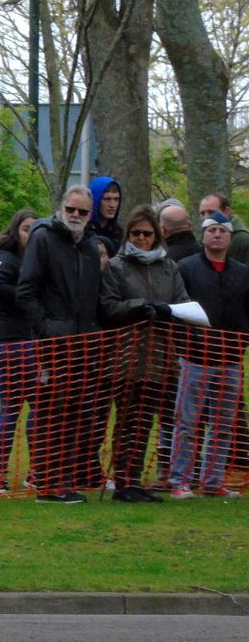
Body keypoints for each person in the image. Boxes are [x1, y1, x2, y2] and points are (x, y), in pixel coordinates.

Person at [17, 186, 104, 504]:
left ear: (89, 214)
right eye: (71, 210)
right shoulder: (43, 238)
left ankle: (64, 480)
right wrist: (47, 328)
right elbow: (25, 290)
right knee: (49, 413)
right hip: (52, 344)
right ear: (61, 209)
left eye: (82, 212)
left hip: (82, 344)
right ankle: (48, 483)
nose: (76, 216)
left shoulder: (91, 247)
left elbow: (94, 297)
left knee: (75, 414)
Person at [99, 206, 188, 503]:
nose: (140, 238)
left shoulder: (168, 267)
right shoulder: (116, 266)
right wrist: (137, 305)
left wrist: (167, 311)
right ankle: (125, 481)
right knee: (129, 419)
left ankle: (142, 478)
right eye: (135, 233)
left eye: (147, 233)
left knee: (150, 419)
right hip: (127, 356)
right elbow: (108, 307)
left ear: (157, 235)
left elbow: (183, 303)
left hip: (163, 354)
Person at [168, 214, 249, 498]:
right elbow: (177, 308)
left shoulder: (242, 272)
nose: (216, 235)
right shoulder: (186, 268)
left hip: (230, 360)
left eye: (222, 231)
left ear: (230, 237)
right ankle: (180, 480)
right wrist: (184, 344)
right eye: (211, 230)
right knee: (187, 422)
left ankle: (213, 482)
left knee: (224, 425)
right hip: (194, 358)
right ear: (203, 236)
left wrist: (241, 344)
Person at [0, 209, 38, 494]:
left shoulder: (35, 260)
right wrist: (28, 298)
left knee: (37, 408)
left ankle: (35, 470)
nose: (30, 235)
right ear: (16, 230)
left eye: (34, 230)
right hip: (9, 341)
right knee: (12, 408)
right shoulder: (6, 258)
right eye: (26, 229)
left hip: (32, 341)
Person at [198, 192, 249, 264]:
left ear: (227, 212)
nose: (205, 217)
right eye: (202, 213)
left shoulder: (243, 240)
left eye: (211, 212)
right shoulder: (203, 237)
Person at [89, 176, 123, 254]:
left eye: (116, 199)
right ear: (95, 200)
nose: (112, 205)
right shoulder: (83, 231)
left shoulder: (117, 232)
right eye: (107, 199)